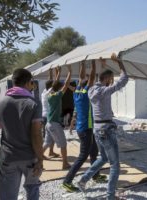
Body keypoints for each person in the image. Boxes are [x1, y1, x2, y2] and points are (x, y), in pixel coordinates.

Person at [77, 53, 128, 200]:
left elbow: (94, 78)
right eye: (110, 80)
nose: (111, 82)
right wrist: (119, 62)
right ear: (106, 79)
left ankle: (83, 179)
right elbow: (124, 80)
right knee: (115, 165)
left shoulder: (91, 90)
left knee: (104, 158)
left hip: (97, 129)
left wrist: (102, 66)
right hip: (106, 129)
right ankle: (110, 196)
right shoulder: (105, 91)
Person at [0, 68, 43, 200]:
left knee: (7, 196)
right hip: (30, 158)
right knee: (32, 190)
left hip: (8, 157)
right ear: (28, 83)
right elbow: (36, 135)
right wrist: (40, 159)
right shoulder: (34, 104)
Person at [62, 59, 107, 192]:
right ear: (88, 86)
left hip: (86, 128)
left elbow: (82, 77)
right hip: (86, 129)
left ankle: (95, 175)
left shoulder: (76, 92)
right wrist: (93, 64)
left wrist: (82, 64)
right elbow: (90, 77)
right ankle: (67, 181)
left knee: (94, 152)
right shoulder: (87, 92)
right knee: (83, 156)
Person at [43, 66, 72, 169]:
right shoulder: (57, 95)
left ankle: (36, 158)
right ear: (59, 88)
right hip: (54, 124)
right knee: (63, 144)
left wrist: (58, 73)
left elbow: (55, 84)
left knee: (47, 143)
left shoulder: (50, 94)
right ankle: (65, 164)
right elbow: (66, 84)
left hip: (48, 123)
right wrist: (69, 72)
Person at [41, 68, 59, 158]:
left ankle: (51, 152)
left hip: (44, 116)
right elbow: (55, 82)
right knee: (49, 138)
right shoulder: (49, 92)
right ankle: (41, 154)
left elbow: (50, 82)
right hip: (48, 117)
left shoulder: (44, 91)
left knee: (51, 137)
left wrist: (51, 72)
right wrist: (57, 73)